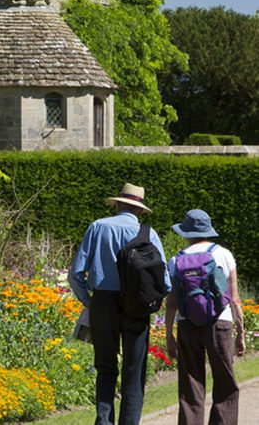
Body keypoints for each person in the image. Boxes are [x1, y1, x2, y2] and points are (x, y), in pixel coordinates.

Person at [69, 182, 171, 425]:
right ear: (140, 210)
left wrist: (90, 302)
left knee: (105, 368)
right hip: (137, 305)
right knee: (134, 373)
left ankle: (104, 421)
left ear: (116, 205)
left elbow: (75, 274)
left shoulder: (98, 227)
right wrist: (149, 301)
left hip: (103, 303)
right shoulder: (149, 234)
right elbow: (165, 283)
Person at [165, 209, 246, 425]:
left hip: (187, 325)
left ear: (186, 232)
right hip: (220, 323)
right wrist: (241, 333)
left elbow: (171, 302)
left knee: (190, 384)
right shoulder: (224, 254)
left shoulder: (176, 260)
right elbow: (235, 299)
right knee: (225, 382)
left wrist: (168, 336)